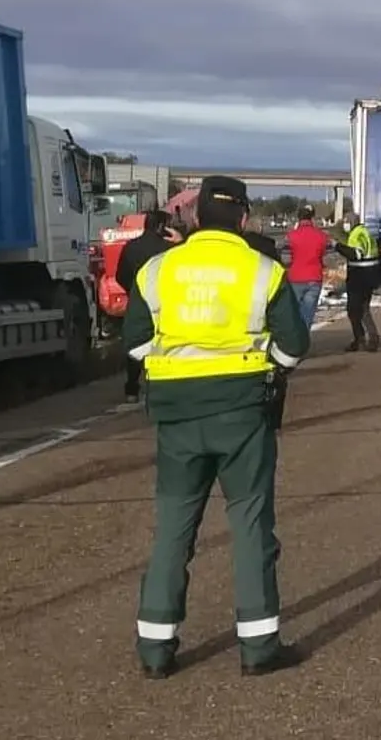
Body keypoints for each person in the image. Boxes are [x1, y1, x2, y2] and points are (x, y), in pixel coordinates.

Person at [124, 175, 311, 680]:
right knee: (250, 524)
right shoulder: (263, 271)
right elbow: (293, 347)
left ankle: (155, 649)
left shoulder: (158, 269)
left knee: (173, 528)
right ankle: (258, 648)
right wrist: (256, 365)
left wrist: (177, 363)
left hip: (176, 416)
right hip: (243, 412)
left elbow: (136, 344)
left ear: (196, 216)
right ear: (245, 219)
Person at [114, 210, 180, 405]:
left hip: (137, 300)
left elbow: (119, 275)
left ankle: (132, 388)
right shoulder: (169, 248)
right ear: (162, 227)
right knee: (162, 343)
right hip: (164, 303)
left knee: (135, 343)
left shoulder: (131, 247)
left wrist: (134, 292)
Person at [334, 212, 380, 352]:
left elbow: (356, 254)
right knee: (364, 309)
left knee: (353, 310)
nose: (345, 224)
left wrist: (338, 247)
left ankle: (361, 339)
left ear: (352, 222)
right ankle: (371, 337)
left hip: (359, 278)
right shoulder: (366, 232)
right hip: (370, 276)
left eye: (346, 221)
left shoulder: (357, 235)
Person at [284, 205, 329, 328]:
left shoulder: (290, 236)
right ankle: (303, 341)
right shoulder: (322, 236)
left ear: (298, 217)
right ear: (312, 217)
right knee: (307, 315)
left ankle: (293, 342)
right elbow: (326, 259)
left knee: (292, 314)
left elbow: (285, 260)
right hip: (315, 278)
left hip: (295, 279)